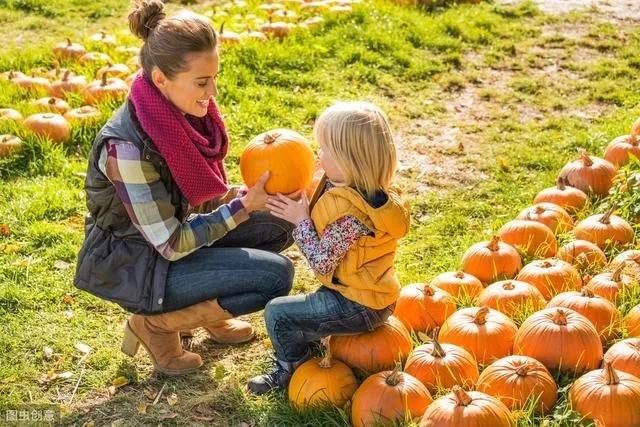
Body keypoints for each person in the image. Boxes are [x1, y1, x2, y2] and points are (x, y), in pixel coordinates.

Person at [74, 0, 297, 376]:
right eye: (201, 81)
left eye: (214, 77)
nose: (212, 92)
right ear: (160, 78)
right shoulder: (126, 149)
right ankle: (156, 325)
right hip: (139, 264)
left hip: (166, 244)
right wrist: (241, 209)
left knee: (279, 222)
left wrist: (247, 198)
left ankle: (208, 310)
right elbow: (171, 243)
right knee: (275, 276)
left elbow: (202, 196)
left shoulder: (179, 115)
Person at [247, 101, 410, 394]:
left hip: (359, 304)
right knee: (302, 314)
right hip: (358, 290)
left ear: (349, 160)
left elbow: (322, 262)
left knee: (277, 313)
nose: (318, 155)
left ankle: (291, 369)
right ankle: (313, 341)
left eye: (324, 149)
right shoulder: (349, 185)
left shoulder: (353, 215)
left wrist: (301, 222)